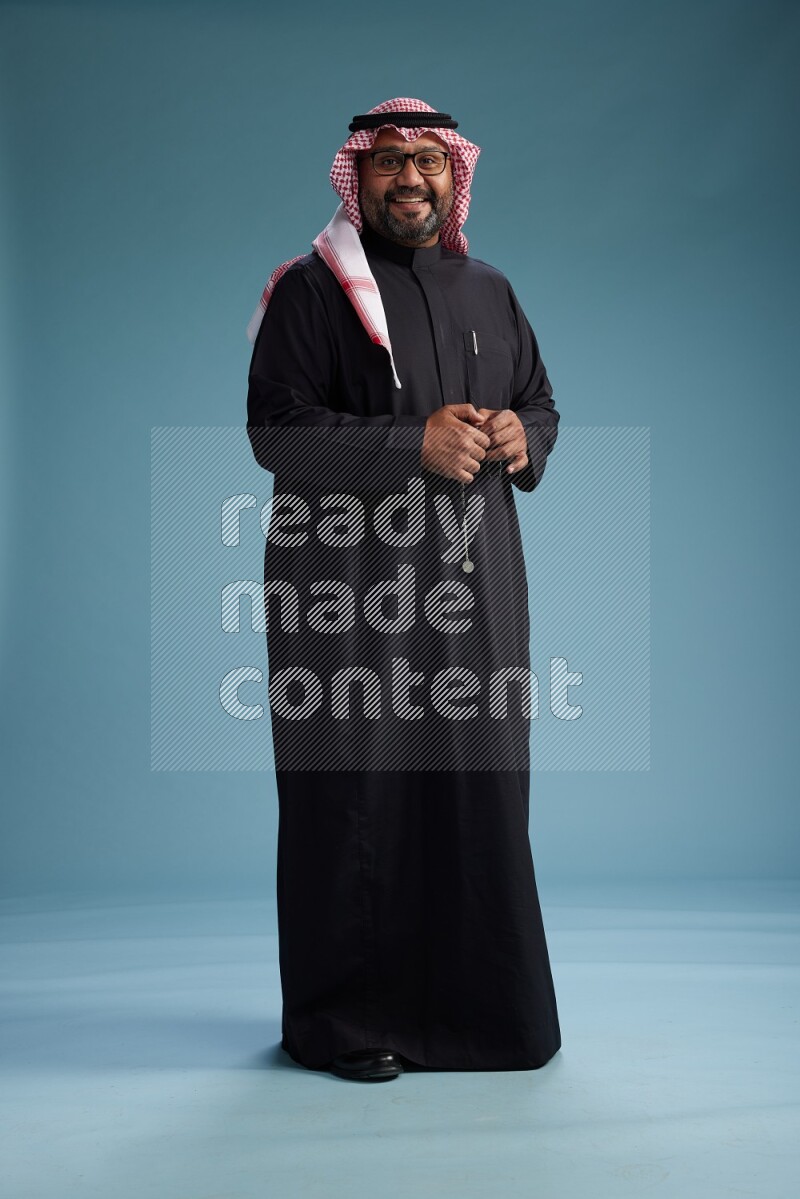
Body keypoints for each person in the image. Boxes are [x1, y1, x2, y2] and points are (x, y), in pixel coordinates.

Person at [246, 98, 562, 1083]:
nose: (409, 181)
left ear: (453, 174)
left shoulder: (492, 290)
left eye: (426, 161)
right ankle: (347, 1023)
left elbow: (539, 401)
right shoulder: (311, 292)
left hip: (471, 593)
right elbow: (275, 432)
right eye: (387, 163)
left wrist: (524, 439)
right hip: (345, 595)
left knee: (476, 790)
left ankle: (483, 1016)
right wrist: (406, 444)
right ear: (356, 174)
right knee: (356, 796)